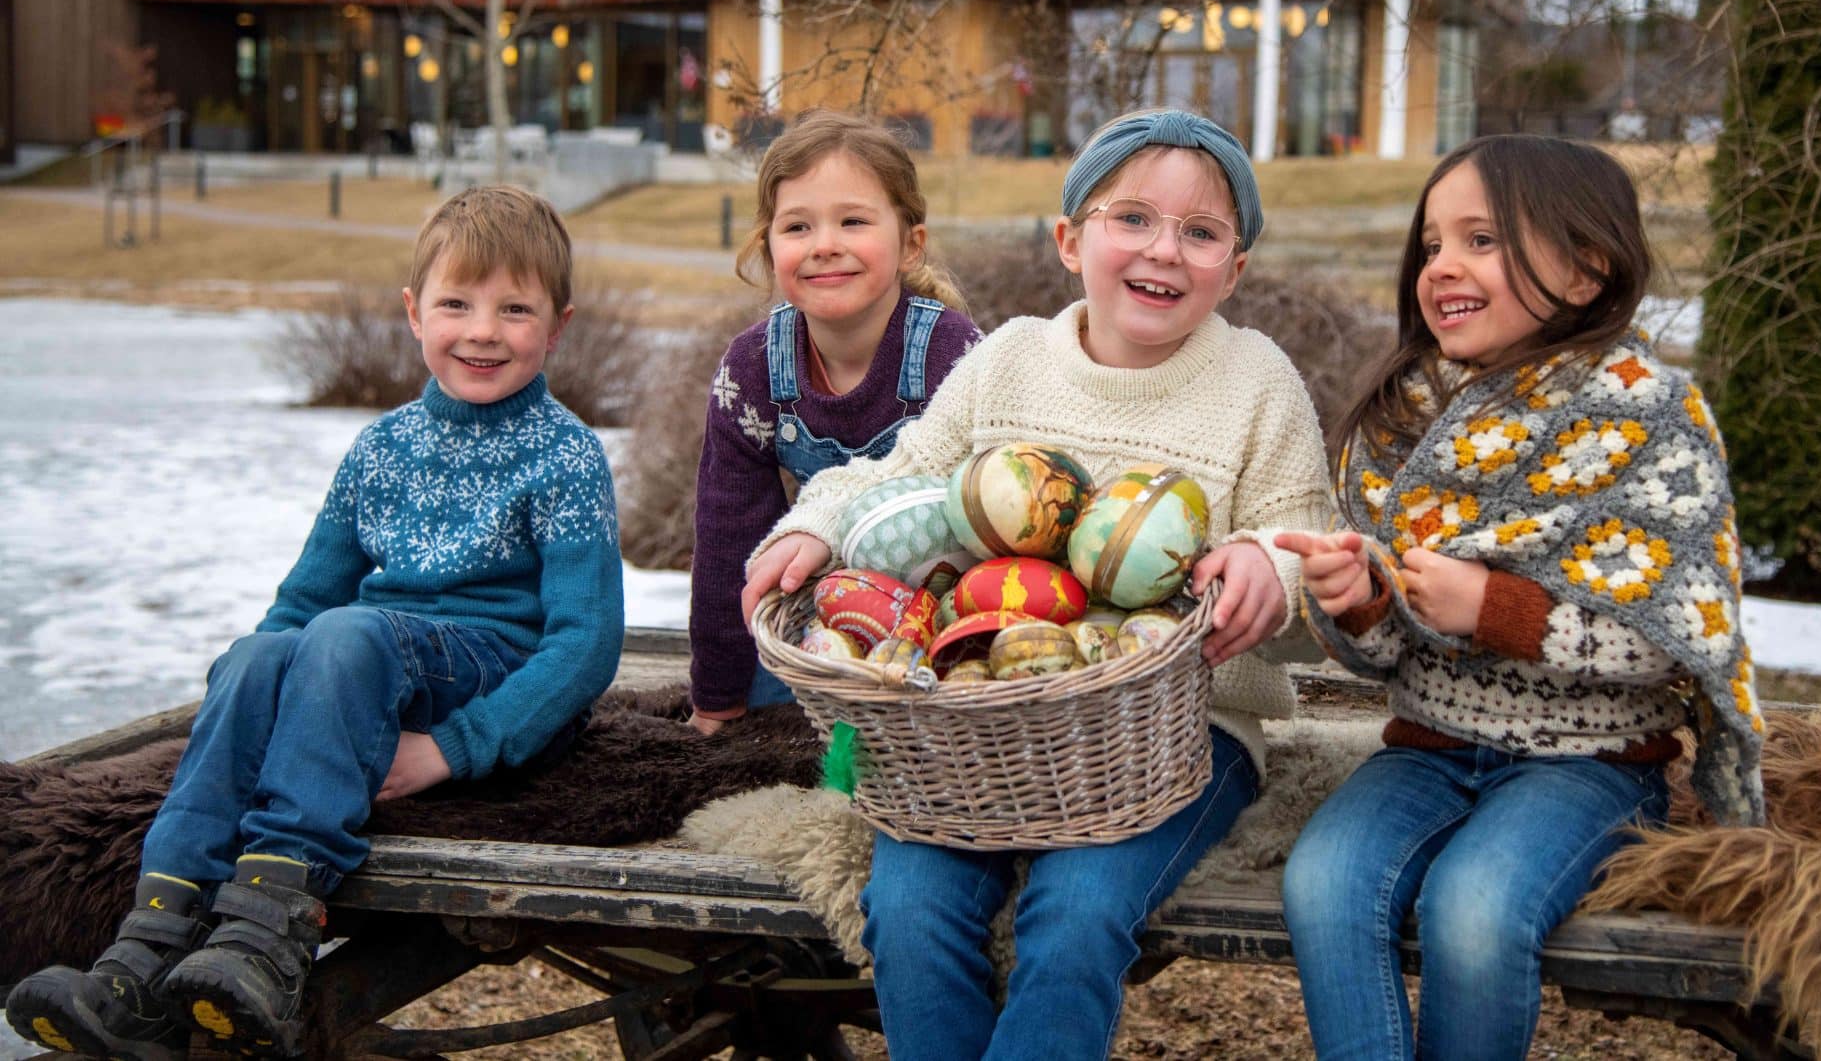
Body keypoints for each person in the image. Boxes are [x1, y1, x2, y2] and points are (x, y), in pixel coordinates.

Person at [742, 107, 1334, 1061]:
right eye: (1130, 218)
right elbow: (903, 471)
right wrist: (813, 519)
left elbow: (1316, 548)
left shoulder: (1256, 383)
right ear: (1070, 240)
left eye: (1201, 232)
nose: (1164, 251)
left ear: (1236, 267)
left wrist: (1278, 565)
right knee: (908, 901)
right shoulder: (1010, 359)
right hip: (979, 724)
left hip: (1179, 737)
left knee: (1079, 908)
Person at [6, 185, 625, 1061]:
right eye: (457, 303)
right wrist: (256, 692)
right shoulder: (379, 449)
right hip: (368, 668)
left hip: (493, 679)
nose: (483, 330)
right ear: (415, 313)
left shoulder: (564, 455)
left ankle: (269, 927)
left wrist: (452, 747)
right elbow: (303, 600)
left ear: (556, 327)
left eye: (514, 309)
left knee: (346, 635)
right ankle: (149, 942)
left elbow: (585, 643)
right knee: (260, 653)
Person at [1274, 135, 1767, 1061]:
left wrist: (1496, 608)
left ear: (1586, 271)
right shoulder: (1401, 416)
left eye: (1483, 239)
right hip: (1427, 748)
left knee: (1475, 908)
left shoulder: (1649, 415)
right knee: (1326, 879)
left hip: (1592, 764)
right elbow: (1380, 655)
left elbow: (1678, 640)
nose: (1443, 266)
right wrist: (1359, 603)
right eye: (1431, 244)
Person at [687, 110, 982, 735]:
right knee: (777, 720)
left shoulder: (951, 355)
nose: (825, 243)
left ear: (910, 243)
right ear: (769, 248)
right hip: (813, 612)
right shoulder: (755, 369)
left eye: (853, 221)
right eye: (798, 226)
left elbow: (990, 524)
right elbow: (727, 541)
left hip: (943, 612)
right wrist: (716, 702)